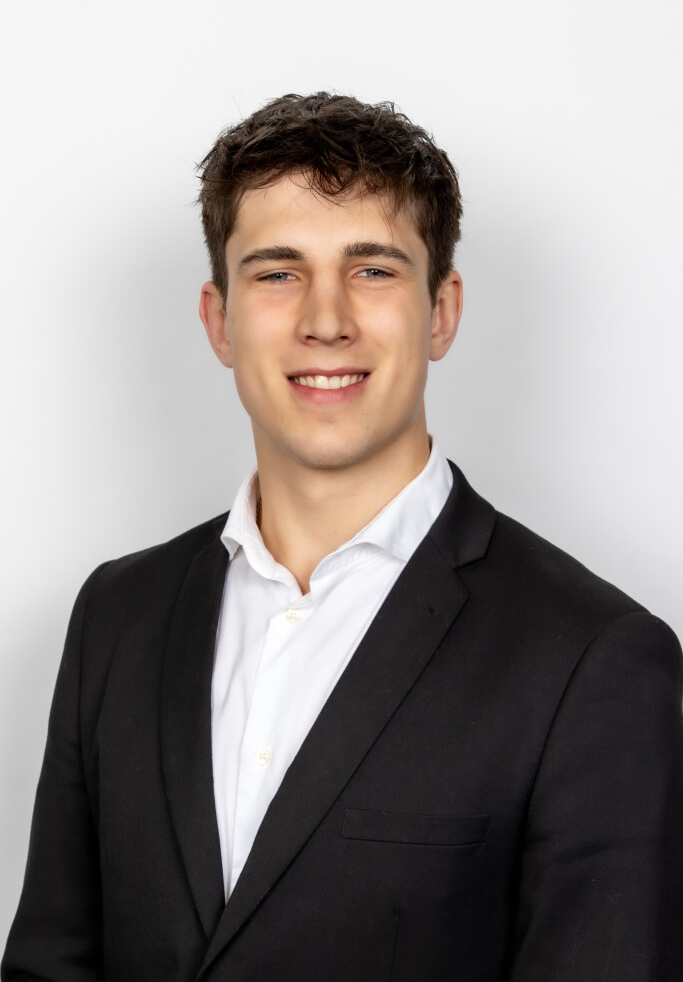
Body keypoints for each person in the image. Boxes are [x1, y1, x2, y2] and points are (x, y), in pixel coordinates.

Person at [3, 92, 682, 982]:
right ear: (218, 320)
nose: (326, 319)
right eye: (276, 273)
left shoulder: (593, 658)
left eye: (371, 270)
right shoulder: (117, 615)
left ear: (441, 312)